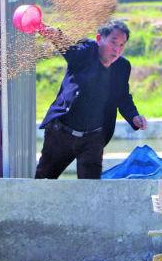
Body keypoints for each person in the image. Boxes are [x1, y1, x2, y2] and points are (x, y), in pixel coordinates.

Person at [35, 20, 147, 179]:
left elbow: (122, 96)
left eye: (122, 45)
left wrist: (134, 116)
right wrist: (49, 31)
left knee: (91, 188)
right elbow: (66, 46)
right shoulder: (85, 53)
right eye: (113, 42)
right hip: (61, 133)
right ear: (99, 38)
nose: (117, 49)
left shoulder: (122, 66)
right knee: (44, 179)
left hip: (93, 138)